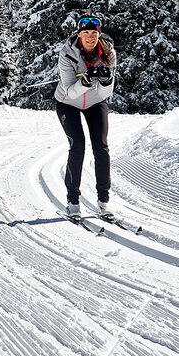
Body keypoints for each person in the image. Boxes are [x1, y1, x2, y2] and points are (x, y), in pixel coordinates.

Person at [54, 12, 117, 218]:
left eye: (94, 33)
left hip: (95, 101)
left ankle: (103, 201)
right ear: (79, 34)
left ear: (99, 34)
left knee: (101, 146)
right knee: (78, 145)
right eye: (86, 32)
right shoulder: (67, 54)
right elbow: (70, 90)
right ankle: (73, 202)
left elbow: (105, 94)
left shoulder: (108, 53)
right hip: (67, 102)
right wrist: (86, 81)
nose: (90, 36)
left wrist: (106, 82)